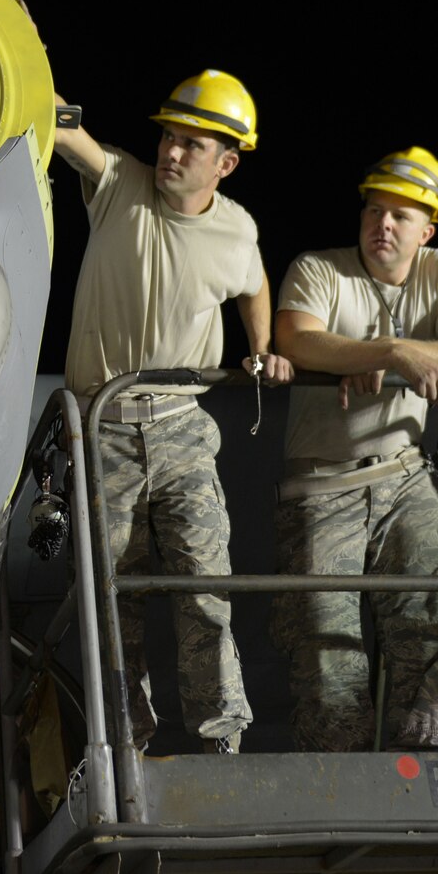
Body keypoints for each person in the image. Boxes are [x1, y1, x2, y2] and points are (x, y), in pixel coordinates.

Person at [52, 70, 292, 753]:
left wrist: (262, 347)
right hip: (103, 425)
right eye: (167, 137)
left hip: (183, 424)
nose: (171, 152)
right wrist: (23, 49)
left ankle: (222, 745)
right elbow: (64, 129)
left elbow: (254, 281)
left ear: (226, 164)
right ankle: (125, 751)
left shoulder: (235, 229)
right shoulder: (119, 183)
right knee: (113, 597)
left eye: (191, 144)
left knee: (203, 586)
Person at [269, 147, 438, 752]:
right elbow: (296, 340)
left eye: (401, 216)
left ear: (428, 230)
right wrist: (392, 353)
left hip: (403, 475)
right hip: (322, 485)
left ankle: (426, 759)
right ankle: (341, 777)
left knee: (434, 609)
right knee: (325, 644)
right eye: (374, 210)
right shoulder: (320, 269)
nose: (383, 225)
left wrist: (381, 352)